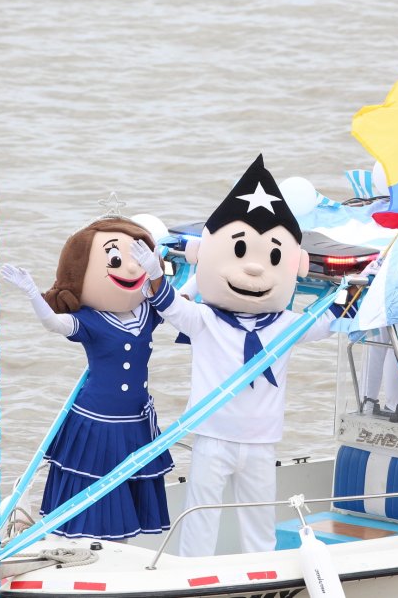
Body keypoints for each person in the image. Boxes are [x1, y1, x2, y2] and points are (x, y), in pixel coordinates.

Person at [145, 154, 347, 557]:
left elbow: (332, 319)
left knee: (259, 522)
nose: (255, 269)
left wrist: (363, 288)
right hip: (213, 436)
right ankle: (192, 575)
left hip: (261, 441)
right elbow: (171, 307)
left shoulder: (286, 324)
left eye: (273, 257)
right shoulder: (206, 319)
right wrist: (153, 274)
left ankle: (263, 572)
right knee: (201, 517)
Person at [0, 217, 176, 540]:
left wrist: (161, 271)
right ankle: (88, 547)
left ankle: (122, 547)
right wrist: (32, 293)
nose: (129, 269)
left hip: (135, 420)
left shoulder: (148, 312)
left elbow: (180, 304)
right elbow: (54, 323)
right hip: (96, 420)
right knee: (94, 486)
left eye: (137, 259)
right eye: (117, 260)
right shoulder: (91, 321)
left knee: (128, 489)